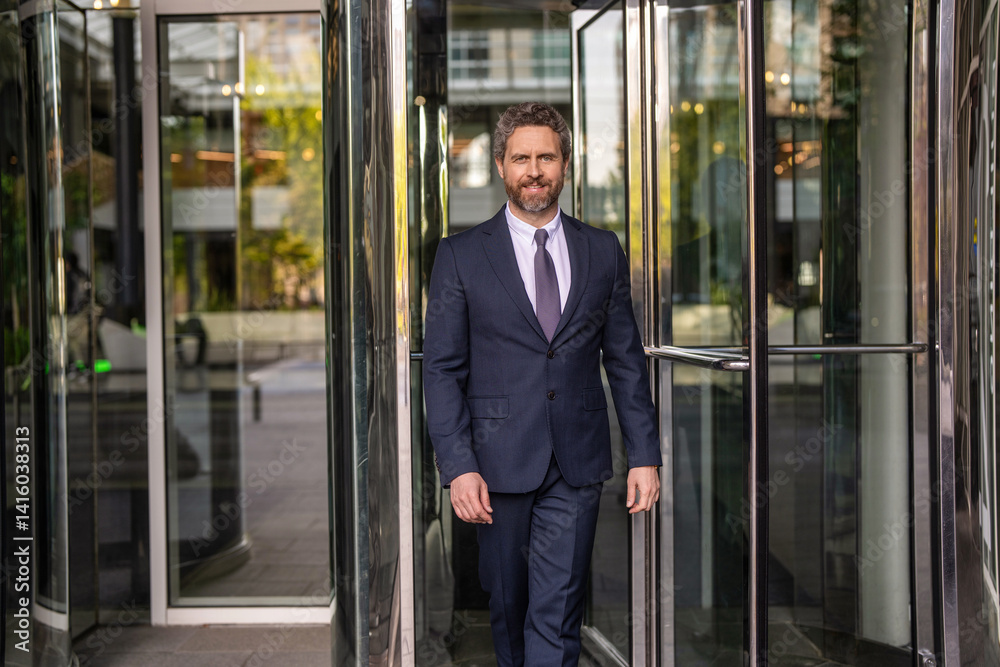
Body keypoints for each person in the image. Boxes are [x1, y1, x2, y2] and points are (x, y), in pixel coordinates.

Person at [423, 101, 662, 666]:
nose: (534, 171)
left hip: (576, 464)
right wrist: (458, 466)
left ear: (565, 165)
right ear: (501, 166)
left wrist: (645, 455)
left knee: (558, 612)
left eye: (546, 158)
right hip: (494, 465)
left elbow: (626, 362)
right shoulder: (460, 255)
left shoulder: (602, 250)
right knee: (509, 608)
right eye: (521, 158)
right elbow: (442, 369)